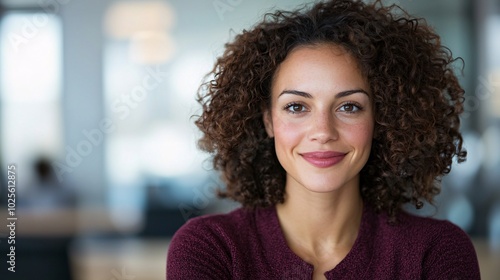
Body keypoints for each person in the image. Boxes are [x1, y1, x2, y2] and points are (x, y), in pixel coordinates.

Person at [166, 0, 480, 279]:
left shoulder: (436, 251)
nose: (323, 131)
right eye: (296, 107)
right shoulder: (211, 247)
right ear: (267, 120)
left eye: (349, 106)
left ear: (381, 119)